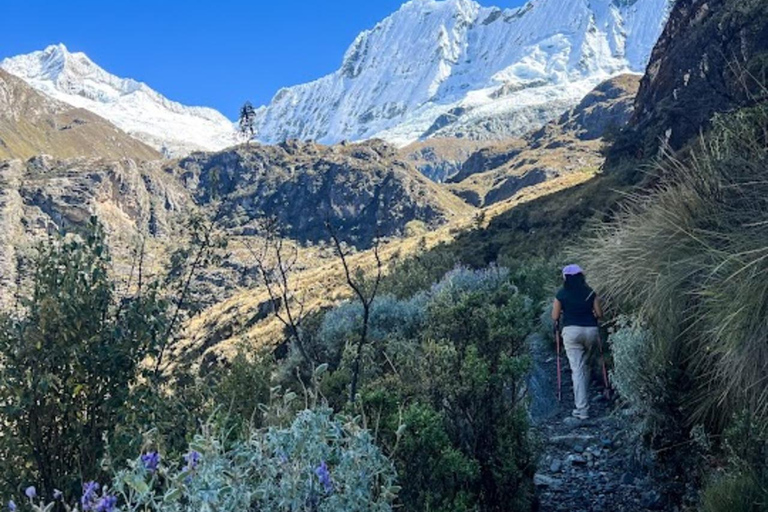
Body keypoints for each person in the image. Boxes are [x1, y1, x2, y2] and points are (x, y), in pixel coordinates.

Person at [551, 264, 603, 420]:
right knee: (585, 365)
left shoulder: (561, 294)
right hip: (591, 331)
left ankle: (582, 409)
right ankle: (584, 398)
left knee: (577, 369)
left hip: (572, 332)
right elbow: (600, 314)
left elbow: (554, 317)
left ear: (566, 278)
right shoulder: (590, 292)